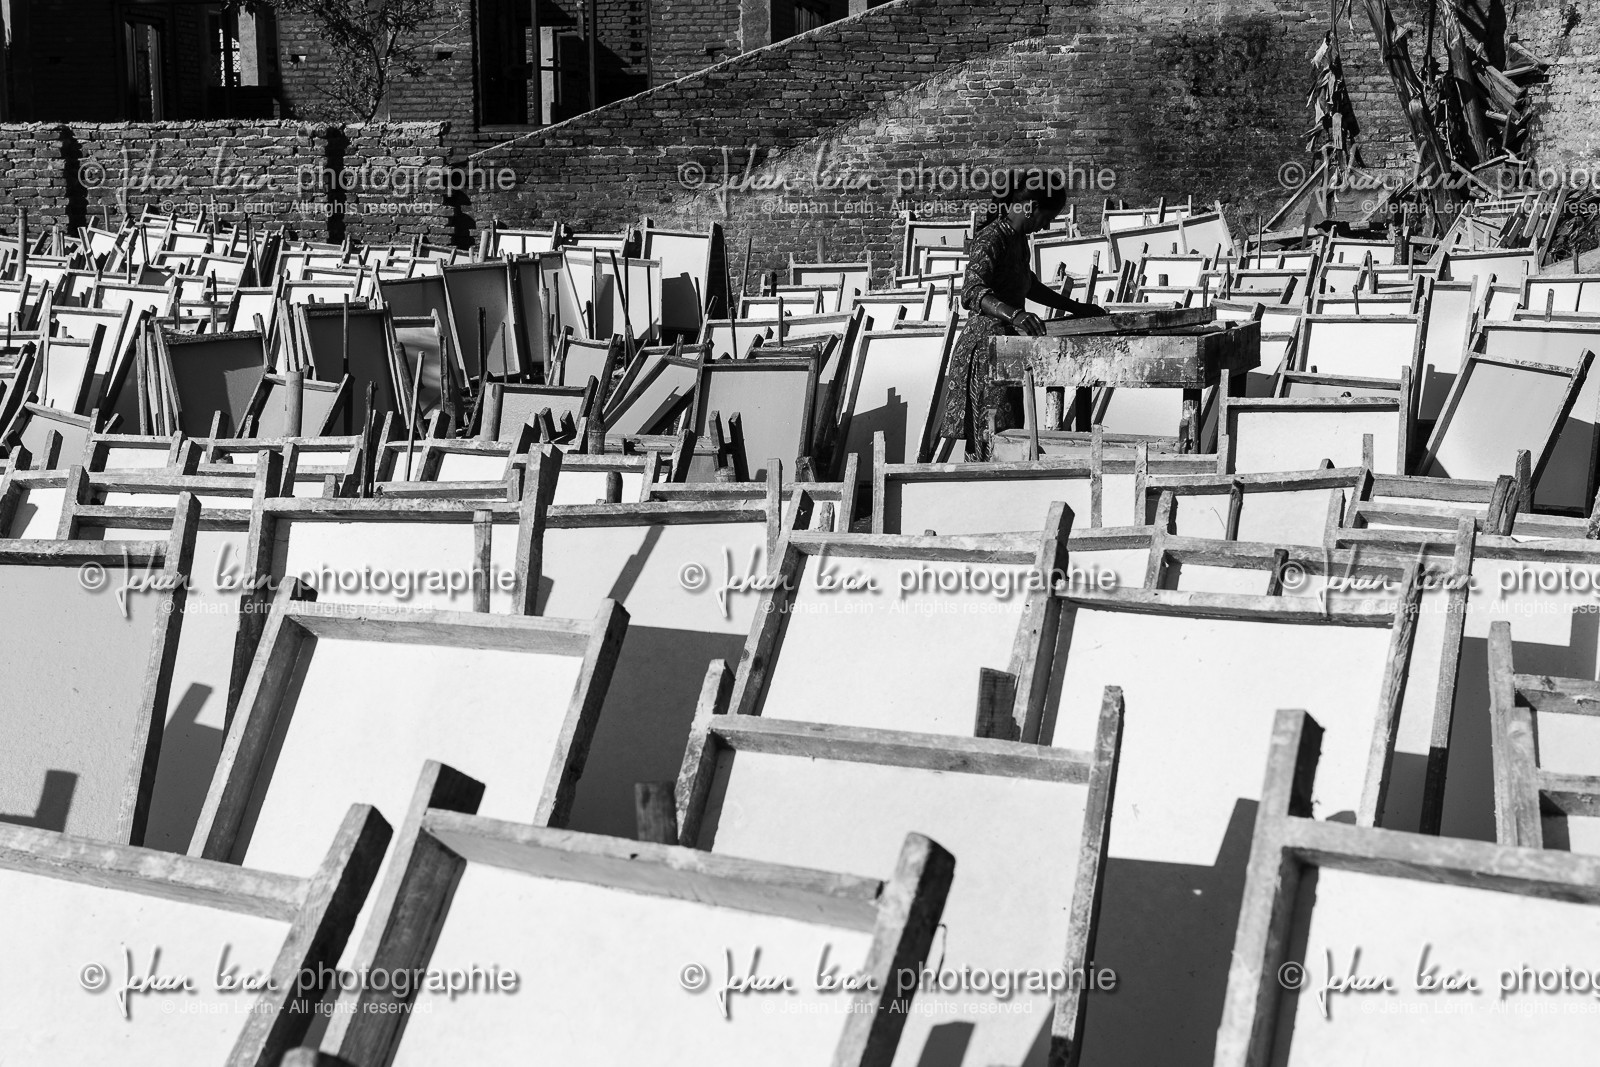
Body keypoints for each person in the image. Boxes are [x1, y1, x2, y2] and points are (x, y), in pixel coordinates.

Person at [938, 186, 1108, 460]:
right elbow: (970, 292)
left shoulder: (1019, 241)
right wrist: (1014, 314)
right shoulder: (992, 238)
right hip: (984, 350)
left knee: (1008, 436)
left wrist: (1076, 307)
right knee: (989, 438)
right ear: (1029, 208)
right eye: (1047, 217)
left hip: (1006, 348)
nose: (1047, 225)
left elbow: (1029, 285)